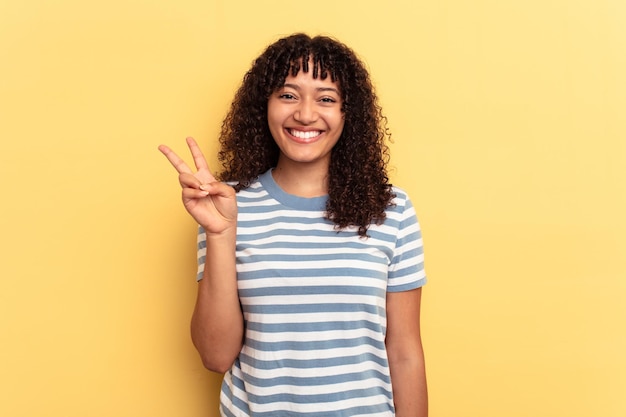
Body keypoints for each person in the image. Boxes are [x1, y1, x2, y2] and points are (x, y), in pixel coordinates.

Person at [159, 33, 427, 417]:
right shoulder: (224, 205)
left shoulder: (391, 208)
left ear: (348, 114)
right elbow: (216, 356)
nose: (304, 114)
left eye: (326, 98)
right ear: (263, 106)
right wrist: (220, 233)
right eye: (288, 95)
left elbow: (404, 352)